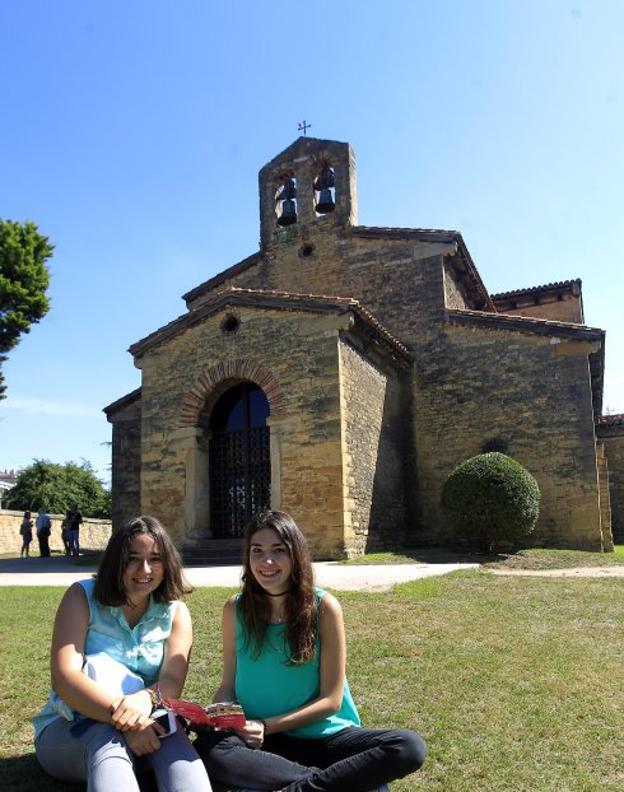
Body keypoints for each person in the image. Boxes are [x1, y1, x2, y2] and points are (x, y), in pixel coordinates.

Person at [196, 510, 427, 792]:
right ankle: (332, 781)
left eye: (278, 550)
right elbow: (228, 684)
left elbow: (331, 700)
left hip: (323, 737)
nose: (266, 561)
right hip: (261, 742)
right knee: (209, 749)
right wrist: (220, 716)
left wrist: (266, 725)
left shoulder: (323, 607)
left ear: (296, 555)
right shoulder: (235, 608)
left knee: (407, 746)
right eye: (257, 551)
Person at [33, 515, 213, 792]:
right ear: (116, 561)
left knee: (175, 740)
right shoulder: (82, 597)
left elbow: (172, 681)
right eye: (132, 558)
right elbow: (65, 677)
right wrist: (130, 723)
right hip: (73, 727)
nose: (144, 569)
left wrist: (145, 699)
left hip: (149, 722)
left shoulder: (175, 612)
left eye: (155, 558)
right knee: (105, 738)